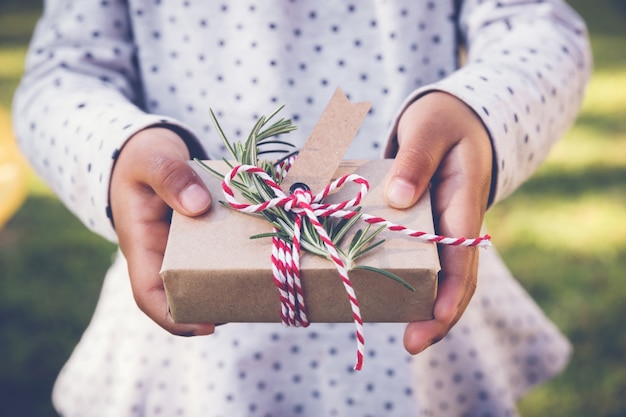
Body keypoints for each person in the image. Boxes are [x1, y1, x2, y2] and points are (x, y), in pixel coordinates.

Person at [13, 1, 591, 416]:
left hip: (409, 272)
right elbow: (62, 74)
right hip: (193, 322)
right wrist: (114, 151)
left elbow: (538, 27)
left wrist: (479, 110)